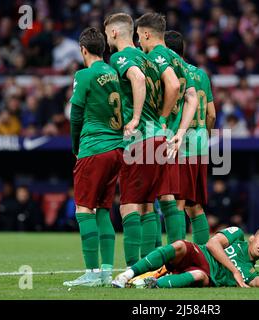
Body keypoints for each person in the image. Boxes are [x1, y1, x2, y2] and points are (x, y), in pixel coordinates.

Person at [104, 13, 171, 265]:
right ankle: (153, 266)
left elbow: (138, 79)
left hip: (139, 137)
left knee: (128, 205)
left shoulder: (121, 57)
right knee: (146, 204)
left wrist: (135, 118)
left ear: (113, 33)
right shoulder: (149, 59)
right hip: (157, 136)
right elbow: (169, 86)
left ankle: (133, 269)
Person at [62, 27, 125, 287]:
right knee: (103, 210)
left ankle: (91, 273)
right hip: (116, 150)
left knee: (84, 209)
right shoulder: (114, 73)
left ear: (83, 50)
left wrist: (76, 145)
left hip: (94, 147)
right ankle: (107, 272)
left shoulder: (84, 74)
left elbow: (75, 114)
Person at [136, 12, 198, 246]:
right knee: (167, 196)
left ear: (147, 34)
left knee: (146, 200)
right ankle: (177, 255)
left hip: (155, 134)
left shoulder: (158, 55)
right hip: (172, 138)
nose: (138, 42)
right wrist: (181, 132)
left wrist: (161, 117)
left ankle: (149, 261)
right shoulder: (179, 59)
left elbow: (172, 85)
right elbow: (192, 97)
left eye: (139, 36)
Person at [164, 30, 216, 245]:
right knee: (194, 205)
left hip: (180, 145)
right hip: (200, 144)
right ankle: (204, 256)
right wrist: (205, 136)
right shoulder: (201, 74)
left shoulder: (172, 74)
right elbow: (211, 114)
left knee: (176, 203)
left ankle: (175, 258)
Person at [112, 226, 259, 289]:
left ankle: (148, 284)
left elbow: (258, 282)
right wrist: (234, 271)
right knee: (180, 245)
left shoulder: (250, 272)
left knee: (199, 276)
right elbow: (213, 244)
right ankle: (127, 275)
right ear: (252, 238)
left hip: (206, 276)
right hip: (201, 254)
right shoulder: (237, 234)